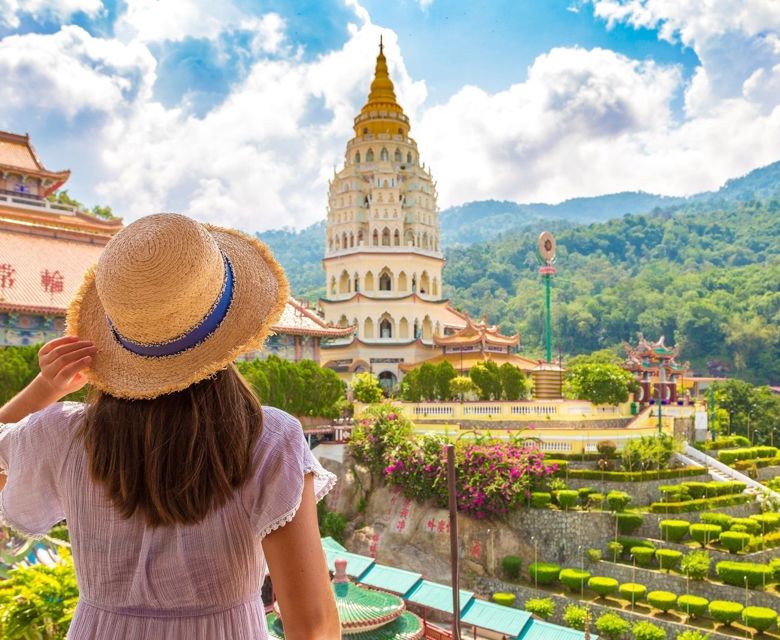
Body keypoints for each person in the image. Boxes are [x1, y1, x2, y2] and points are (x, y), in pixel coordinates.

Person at [0, 213, 341, 639]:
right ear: (230, 327)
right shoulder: (269, 440)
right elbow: (312, 625)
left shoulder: (66, 437)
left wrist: (44, 389)